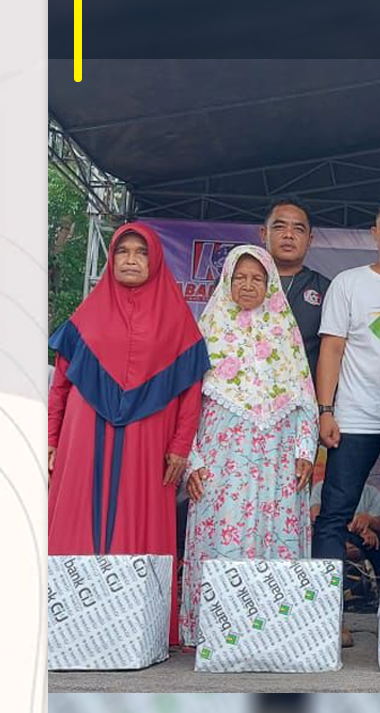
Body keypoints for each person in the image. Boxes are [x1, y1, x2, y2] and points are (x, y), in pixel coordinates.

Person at [48, 222, 209, 645]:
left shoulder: (178, 321)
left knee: (137, 517)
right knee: (79, 514)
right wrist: (50, 438)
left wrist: (180, 447)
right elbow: (60, 385)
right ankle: (71, 622)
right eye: (123, 251)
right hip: (84, 436)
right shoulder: (85, 316)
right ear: (111, 259)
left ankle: (131, 628)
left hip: (147, 442)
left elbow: (191, 394)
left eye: (141, 252)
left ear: (155, 260)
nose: (131, 260)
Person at [180, 245, 318, 647]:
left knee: (275, 535)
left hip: (277, 456)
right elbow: (187, 402)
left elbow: (305, 398)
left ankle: (275, 631)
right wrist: (192, 460)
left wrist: (304, 451)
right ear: (226, 280)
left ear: (270, 284)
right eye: (239, 277)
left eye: (257, 278)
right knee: (223, 533)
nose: (247, 284)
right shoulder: (207, 331)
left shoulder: (285, 333)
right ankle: (216, 632)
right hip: (220, 456)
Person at [313, 197, 380, 646]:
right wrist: (325, 410)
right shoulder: (349, 283)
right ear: (375, 232)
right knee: (334, 517)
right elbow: (332, 349)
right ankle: (326, 618)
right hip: (354, 417)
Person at [259, 195, 331, 383]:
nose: (288, 235)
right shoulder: (237, 283)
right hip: (245, 393)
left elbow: (332, 353)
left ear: (310, 239)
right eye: (279, 227)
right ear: (263, 233)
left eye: (298, 229)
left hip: (301, 395)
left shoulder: (326, 289)